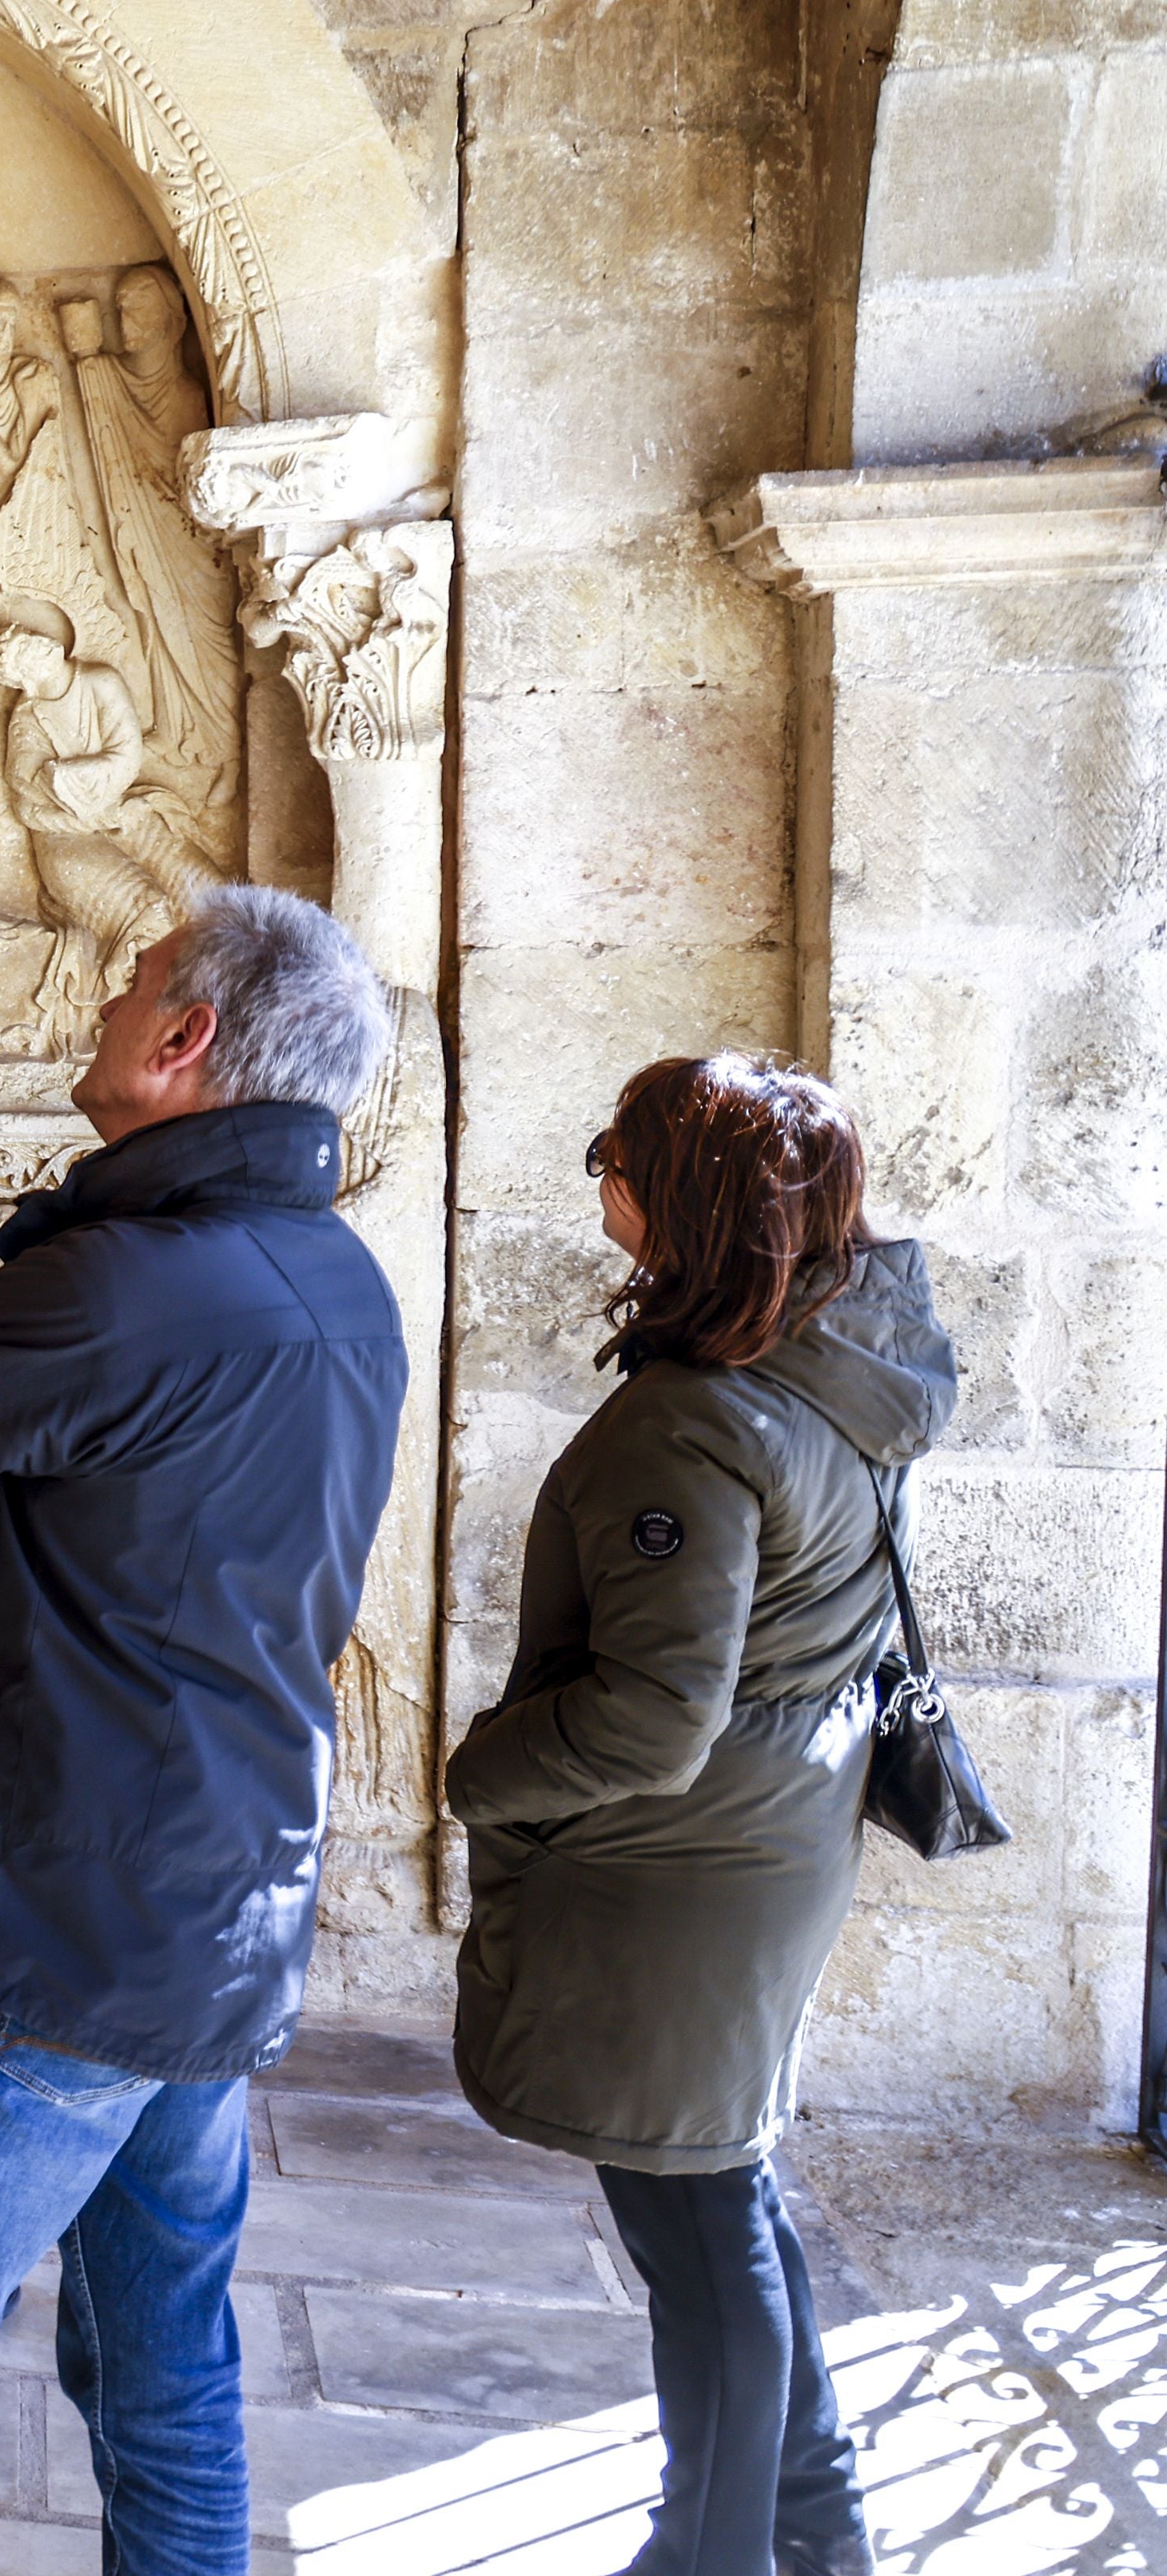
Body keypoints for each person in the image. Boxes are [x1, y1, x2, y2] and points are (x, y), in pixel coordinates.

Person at [0, 884, 403, 2575]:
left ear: (184, 1039)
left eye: (127, 985)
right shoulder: (338, 1281)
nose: (101, 1005)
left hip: (49, 1930)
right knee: (166, 2373)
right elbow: (125, 1530)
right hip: (216, 1904)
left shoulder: (119, 1287)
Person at [451, 1058, 956, 2576]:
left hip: (677, 1879)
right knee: (723, 2199)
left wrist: (478, 1775)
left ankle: (715, 2553)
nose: (598, 1175)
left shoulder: (699, 1423)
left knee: (700, 2234)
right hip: (767, 1837)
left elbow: (650, 1718)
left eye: (618, 1152)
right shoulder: (839, 1363)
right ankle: (814, 2533)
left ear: (688, 1203)